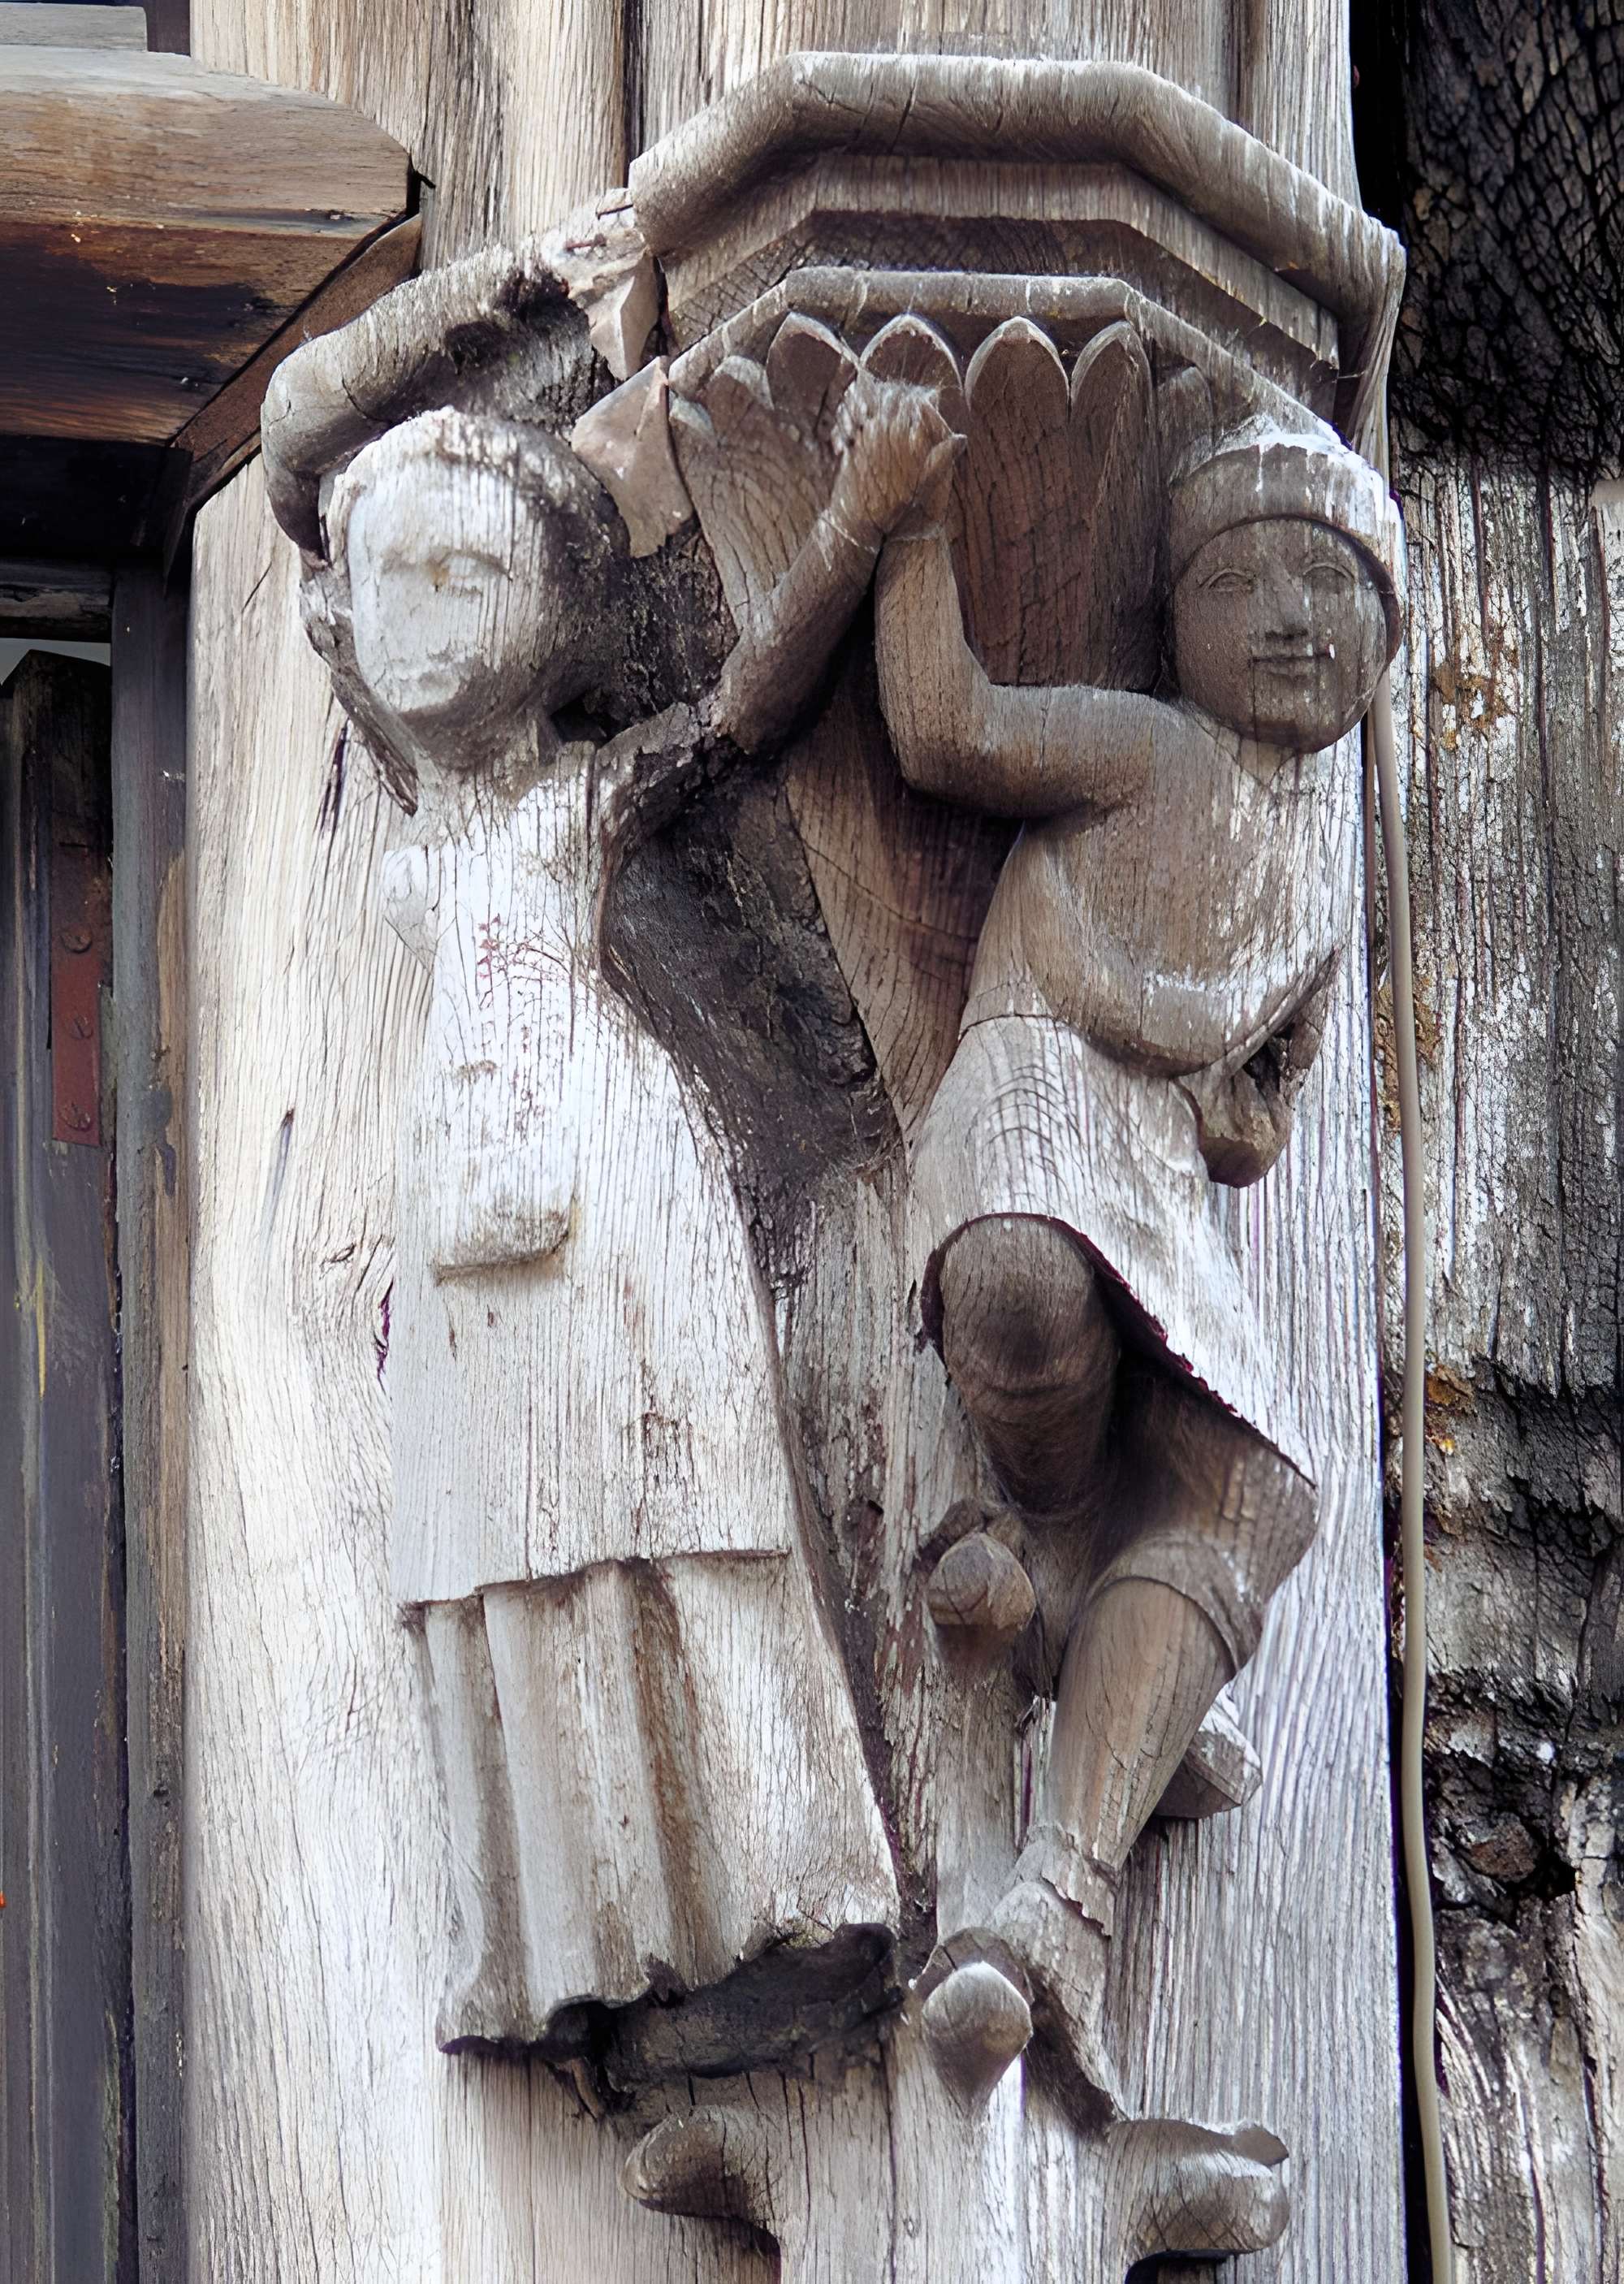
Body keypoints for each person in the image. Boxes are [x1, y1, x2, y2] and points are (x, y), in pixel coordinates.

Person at [323, 399, 947, 2067]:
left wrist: (856, 518)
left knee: (675, 1507)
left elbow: (741, 711)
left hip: (612, 1192)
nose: (430, 609)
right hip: (460, 1222)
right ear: (343, 617)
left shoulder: (580, 800)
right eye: (395, 576)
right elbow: (308, 432)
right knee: (499, 1550)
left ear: (550, 611)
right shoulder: (413, 827)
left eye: (474, 569)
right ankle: (568, 1941)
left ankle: (790, 1887)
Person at [873, 417, 1405, 2113]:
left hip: (1157, 1175)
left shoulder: (1317, 863)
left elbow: (1253, 1123)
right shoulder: (1140, 747)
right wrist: (903, 523)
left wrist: (1247, 1094)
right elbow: (945, 725)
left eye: (1339, 594)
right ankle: (1041, 1530)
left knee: (1258, 1488)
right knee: (1019, 1284)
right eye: (1248, 577)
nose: (1294, 617)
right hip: (1035, 1094)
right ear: (1170, 608)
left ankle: (1065, 1886)